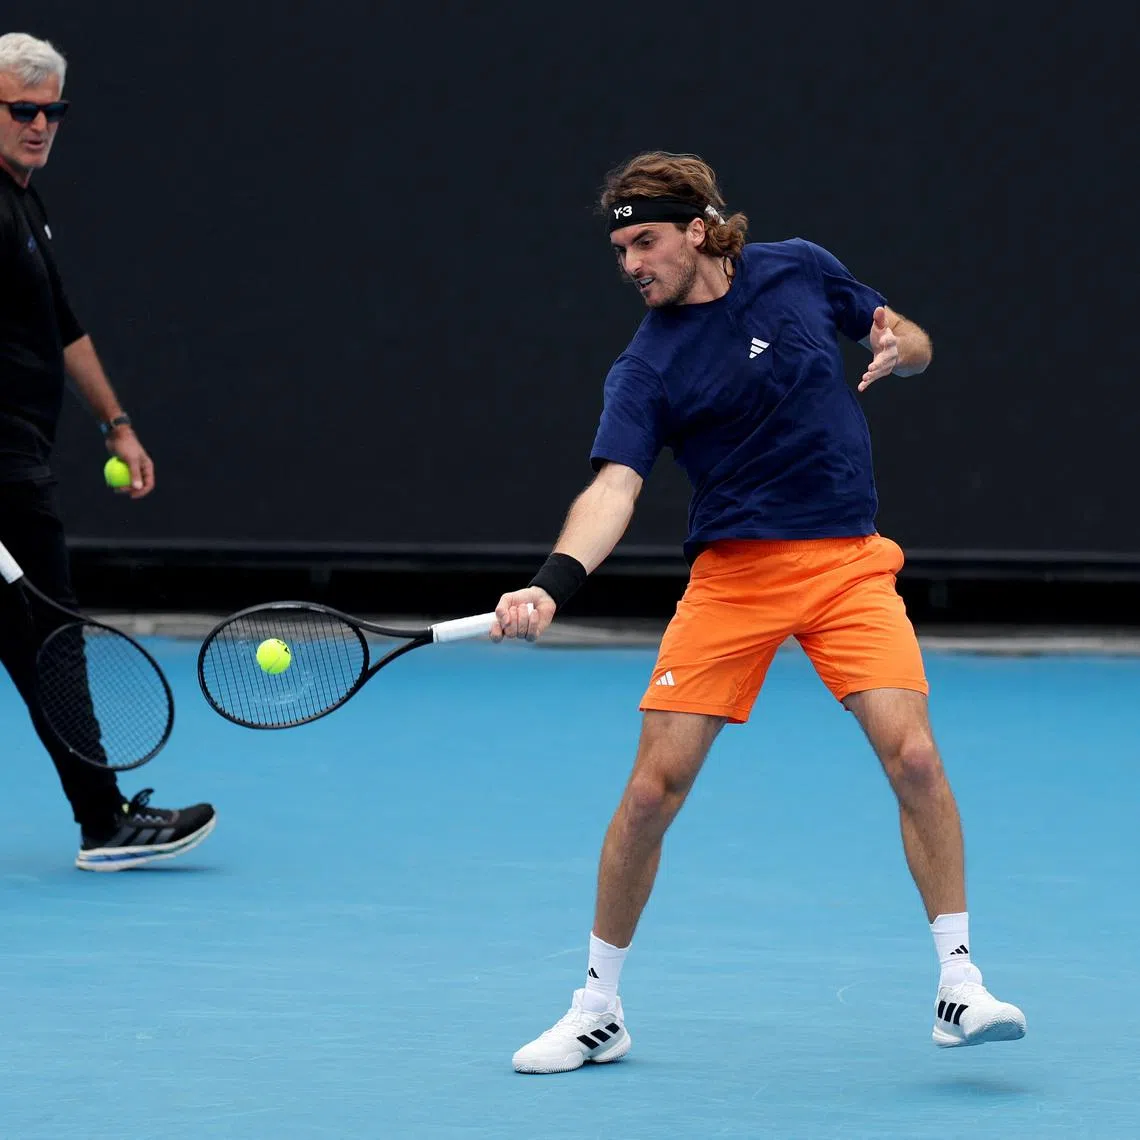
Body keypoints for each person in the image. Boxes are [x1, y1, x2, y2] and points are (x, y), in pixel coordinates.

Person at [493, 151, 1025, 1073]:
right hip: (733, 579)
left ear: (697, 229)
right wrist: (552, 580)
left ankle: (959, 984)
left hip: (849, 565)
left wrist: (904, 353)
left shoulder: (800, 268)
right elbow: (615, 488)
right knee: (653, 791)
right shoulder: (645, 366)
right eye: (619, 249)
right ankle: (598, 1008)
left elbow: (905, 334)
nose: (631, 264)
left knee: (915, 756)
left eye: (646, 241)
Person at [0, 31, 215, 870]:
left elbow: (63, 327)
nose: (42, 124)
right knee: (52, 641)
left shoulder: (24, 202)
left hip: (23, 459)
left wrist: (114, 422)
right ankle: (104, 820)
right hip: (6, 478)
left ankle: (103, 814)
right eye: (24, 109)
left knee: (44, 640)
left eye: (54, 110)